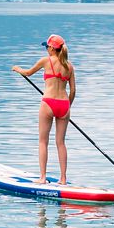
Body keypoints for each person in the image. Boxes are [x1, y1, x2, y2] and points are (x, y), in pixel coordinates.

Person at [13, 34, 76, 185]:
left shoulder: (45, 61)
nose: (46, 49)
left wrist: (17, 68)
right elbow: (73, 91)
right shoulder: (70, 66)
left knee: (43, 141)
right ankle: (63, 179)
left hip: (48, 103)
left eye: (47, 47)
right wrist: (67, 107)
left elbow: (27, 73)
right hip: (64, 105)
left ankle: (42, 178)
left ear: (52, 49)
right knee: (61, 143)